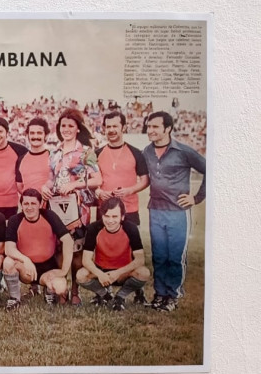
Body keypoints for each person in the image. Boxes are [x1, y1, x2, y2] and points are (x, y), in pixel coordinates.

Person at [143, 111, 206, 312]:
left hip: (178, 212)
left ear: (167, 128)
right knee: (159, 255)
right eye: (148, 126)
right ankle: (160, 294)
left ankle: (173, 296)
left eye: (155, 126)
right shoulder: (147, 151)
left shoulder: (184, 151)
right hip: (155, 210)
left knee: (175, 257)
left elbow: (210, 169)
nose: (150, 130)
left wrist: (196, 198)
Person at [41, 108, 102, 306]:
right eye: (63, 126)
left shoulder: (86, 152)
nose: (66, 129)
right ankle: (61, 291)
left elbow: (97, 179)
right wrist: (45, 188)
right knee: (59, 249)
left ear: (77, 129)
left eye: (70, 126)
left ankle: (75, 291)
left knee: (76, 251)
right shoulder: (54, 153)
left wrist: (75, 185)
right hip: (57, 207)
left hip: (78, 208)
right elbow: (51, 179)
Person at [3, 189, 74, 310]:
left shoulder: (50, 216)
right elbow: (9, 249)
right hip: (26, 270)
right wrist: (26, 260)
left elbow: (68, 240)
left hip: (48, 267)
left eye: (33, 204)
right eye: (26, 204)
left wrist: (64, 271)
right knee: (8, 262)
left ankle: (49, 291)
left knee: (61, 288)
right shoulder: (15, 220)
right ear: (21, 205)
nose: (29, 207)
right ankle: (14, 298)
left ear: (40, 204)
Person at [76, 197, 150, 311]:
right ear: (102, 215)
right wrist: (100, 274)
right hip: (102, 271)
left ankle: (120, 296)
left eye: (115, 216)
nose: (110, 220)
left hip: (123, 272)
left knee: (144, 272)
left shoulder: (131, 228)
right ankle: (104, 294)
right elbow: (86, 260)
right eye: (107, 216)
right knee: (80, 275)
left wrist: (118, 273)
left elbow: (140, 259)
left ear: (122, 217)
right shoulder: (93, 228)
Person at [95, 111, 149, 226]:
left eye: (115, 126)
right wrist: (99, 192)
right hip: (104, 210)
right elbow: (91, 183)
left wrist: (130, 190)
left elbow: (145, 180)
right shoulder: (97, 154)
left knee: (130, 243)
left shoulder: (136, 153)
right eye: (108, 126)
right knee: (103, 243)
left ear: (123, 128)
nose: (111, 130)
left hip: (129, 209)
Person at [15, 117, 53, 198]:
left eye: (39, 133)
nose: (35, 136)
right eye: (32, 133)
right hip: (29, 207)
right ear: (27, 135)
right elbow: (20, 186)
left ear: (45, 135)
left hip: (50, 205)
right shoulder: (21, 159)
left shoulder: (53, 157)